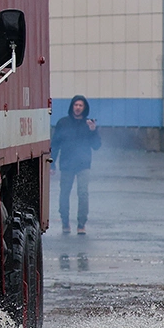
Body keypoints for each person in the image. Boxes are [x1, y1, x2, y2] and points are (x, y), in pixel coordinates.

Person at [50, 95, 101, 235]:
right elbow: (55, 144)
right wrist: (52, 164)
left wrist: (93, 131)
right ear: (72, 106)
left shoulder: (89, 124)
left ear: (85, 108)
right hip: (67, 164)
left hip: (84, 164)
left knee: (83, 193)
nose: (78, 108)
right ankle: (65, 222)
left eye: (80, 105)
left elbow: (96, 146)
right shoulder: (63, 123)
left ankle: (81, 223)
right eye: (76, 105)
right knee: (64, 193)